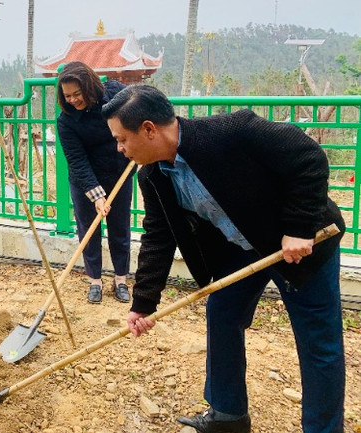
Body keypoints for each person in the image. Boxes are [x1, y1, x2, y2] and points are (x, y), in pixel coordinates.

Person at [101, 84, 345, 433]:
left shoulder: (233, 132)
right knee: (223, 311)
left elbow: (309, 158)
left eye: (122, 139)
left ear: (150, 129)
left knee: (318, 342)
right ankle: (228, 415)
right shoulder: (153, 176)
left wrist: (299, 227)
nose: (119, 148)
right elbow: (159, 234)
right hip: (243, 246)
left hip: (302, 246)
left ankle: (324, 429)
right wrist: (143, 302)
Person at [56, 61, 133, 304]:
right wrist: (96, 195)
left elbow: (139, 109)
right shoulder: (66, 121)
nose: (73, 100)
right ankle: (95, 282)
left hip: (119, 173)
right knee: (88, 231)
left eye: (77, 94)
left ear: (89, 86)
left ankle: (121, 279)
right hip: (85, 180)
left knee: (120, 228)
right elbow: (77, 160)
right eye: (67, 96)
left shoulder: (115, 94)